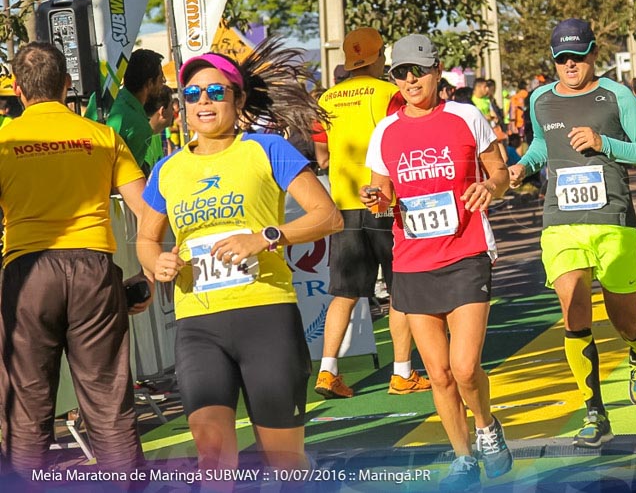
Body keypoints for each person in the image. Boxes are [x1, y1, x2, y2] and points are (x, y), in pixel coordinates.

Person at [136, 41, 344, 475]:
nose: (204, 102)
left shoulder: (267, 149)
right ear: (182, 106)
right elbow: (145, 240)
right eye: (192, 95)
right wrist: (156, 264)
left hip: (265, 317)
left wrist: (267, 237)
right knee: (211, 453)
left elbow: (329, 217)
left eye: (216, 92)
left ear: (239, 99)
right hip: (198, 326)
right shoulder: (168, 170)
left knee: (284, 460)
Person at [362, 34, 512, 491]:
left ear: (436, 71)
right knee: (440, 374)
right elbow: (381, 193)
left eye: (418, 71)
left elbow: (500, 172)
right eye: (400, 73)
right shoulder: (385, 130)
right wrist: (375, 199)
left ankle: (486, 427)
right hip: (411, 262)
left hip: (466, 253)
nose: (409, 80)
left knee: (465, 367)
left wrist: (492, 188)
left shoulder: (466, 116)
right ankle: (463, 455)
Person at [508, 18, 636, 448]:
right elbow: (542, 144)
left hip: (613, 220)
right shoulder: (540, 99)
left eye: (578, 57)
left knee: (622, 318)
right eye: (562, 59)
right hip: (561, 223)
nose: (570, 65)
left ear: (594, 54)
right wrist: (524, 165)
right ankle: (594, 411)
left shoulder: (617, 95)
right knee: (574, 307)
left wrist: (604, 143)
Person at [0, 42, 150, 479]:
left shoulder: (5, 140)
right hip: (93, 269)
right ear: (67, 84)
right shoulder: (102, 135)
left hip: (28, 273)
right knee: (109, 407)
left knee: (26, 412)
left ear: (18, 89)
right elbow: (147, 211)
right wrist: (150, 270)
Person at [314, 27, 430, 399]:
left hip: (344, 205)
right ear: (380, 57)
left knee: (344, 294)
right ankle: (401, 373)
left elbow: (322, 156)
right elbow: (407, 137)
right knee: (401, 291)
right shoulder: (389, 93)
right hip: (386, 202)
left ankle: (328, 371)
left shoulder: (326, 99)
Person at [106, 48, 165, 174]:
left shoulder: (103, 98)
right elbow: (128, 178)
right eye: (161, 79)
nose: (163, 84)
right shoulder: (140, 126)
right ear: (149, 83)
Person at [143, 84, 175, 172]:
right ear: (162, 111)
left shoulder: (156, 134)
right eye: (171, 106)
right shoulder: (141, 139)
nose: (174, 111)